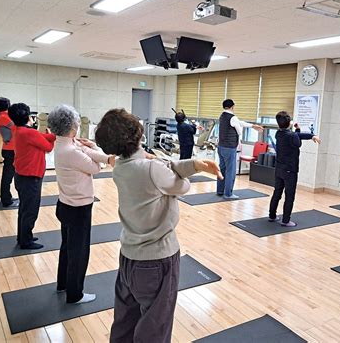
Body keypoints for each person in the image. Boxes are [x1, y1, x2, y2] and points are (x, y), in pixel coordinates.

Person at [94, 109, 222, 343]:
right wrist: (188, 168)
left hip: (128, 258)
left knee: (124, 323)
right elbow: (182, 187)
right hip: (157, 261)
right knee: (155, 329)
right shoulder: (149, 168)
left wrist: (195, 165)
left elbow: (160, 168)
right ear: (138, 134)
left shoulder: (121, 167)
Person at [48, 105, 115, 304]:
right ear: (72, 127)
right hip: (78, 209)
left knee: (67, 247)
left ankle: (63, 284)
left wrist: (95, 150)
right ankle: (75, 294)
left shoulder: (64, 144)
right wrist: (104, 159)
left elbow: (85, 150)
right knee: (79, 252)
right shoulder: (71, 151)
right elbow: (95, 168)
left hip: (65, 205)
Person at [8, 103, 56, 250]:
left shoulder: (19, 130)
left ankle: (23, 236)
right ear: (28, 117)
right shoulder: (30, 133)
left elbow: (42, 136)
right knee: (30, 210)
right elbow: (48, 148)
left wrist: (52, 135)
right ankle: (26, 241)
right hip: (31, 176)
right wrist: (54, 138)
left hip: (22, 175)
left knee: (24, 208)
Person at [268, 111, 321, 226]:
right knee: (289, 195)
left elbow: (296, 136)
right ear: (289, 123)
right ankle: (286, 220)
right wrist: (298, 131)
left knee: (277, 192)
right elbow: (297, 142)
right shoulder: (291, 136)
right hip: (290, 170)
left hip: (279, 168)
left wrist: (312, 135)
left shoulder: (278, 134)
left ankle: (272, 215)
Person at [217, 99, 263, 199]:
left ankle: (220, 190)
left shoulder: (222, 116)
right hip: (229, 148)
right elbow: (239, 131)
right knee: (230, 171)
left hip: (221, 147)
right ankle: (228, 194)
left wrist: (252, 126)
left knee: (222, 169)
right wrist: (241, 127)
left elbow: (238, 122)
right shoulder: (233, 117)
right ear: (232, 106)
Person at [0, 97, 18, 207]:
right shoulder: (4, 117)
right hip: (10, 150)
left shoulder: (3, 116)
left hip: (10, 149)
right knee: (7, 177)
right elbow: (16, 127)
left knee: (8, 176)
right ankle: (6, 200)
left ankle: (7, 197)